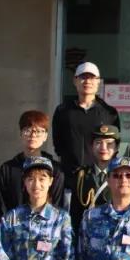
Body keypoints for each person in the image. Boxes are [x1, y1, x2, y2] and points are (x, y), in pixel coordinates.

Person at [52, 61, 120, 190]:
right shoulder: (63, 110)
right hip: (69, 178)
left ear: (98, 81)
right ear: (75, 81)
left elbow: (114, 145)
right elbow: (58, 144)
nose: (87, 81)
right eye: (83, 77)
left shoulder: (109, 112)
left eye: (92, 78)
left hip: (100, 180)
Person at [0, 110, 64, 219]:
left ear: (45, 136)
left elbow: (57, 205)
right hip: (13, 226)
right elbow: (2, 207)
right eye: (28, 130)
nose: (33, 135)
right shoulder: (7, 169)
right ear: (21, 134)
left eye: (39, 131)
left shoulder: (56, 170)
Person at [70, 124, 120, 238]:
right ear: (91, 146)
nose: (103, 148)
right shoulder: (81, 175)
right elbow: (75, 213)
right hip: (87, 236)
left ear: (117, 147)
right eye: (98, 142)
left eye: (109, 143)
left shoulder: (122, 176)